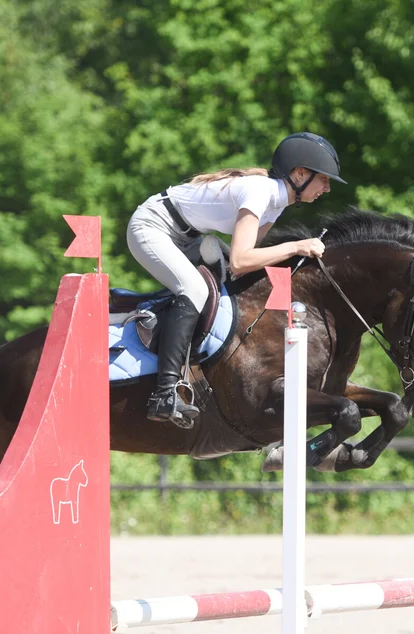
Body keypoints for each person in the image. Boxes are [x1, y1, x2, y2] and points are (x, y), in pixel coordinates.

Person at [126, 132, 347, 429]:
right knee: (194, 288)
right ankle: (164, 393)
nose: (328, 188)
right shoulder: (260, 192)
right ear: (300, 173)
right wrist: (297, 246)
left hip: (189, 238)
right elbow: (242, 259)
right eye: (324, 179)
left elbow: (241, 267)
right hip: (152, 226)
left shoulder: (278, 202)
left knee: (222, 281)